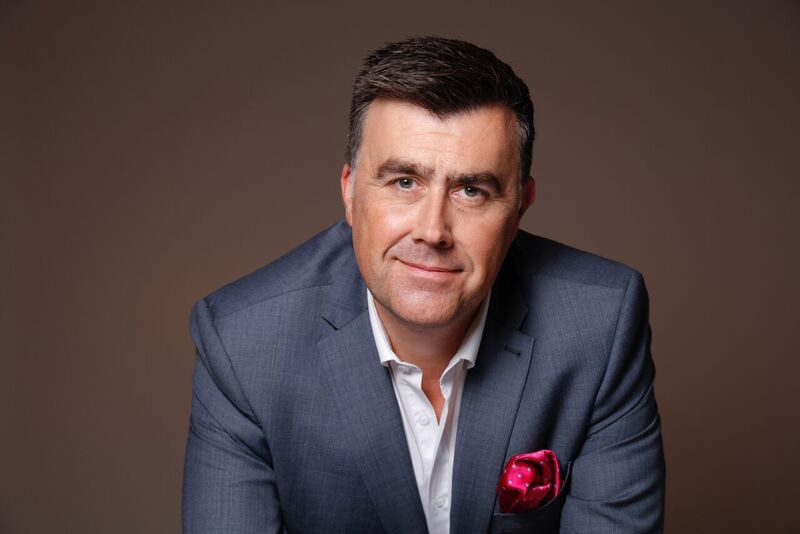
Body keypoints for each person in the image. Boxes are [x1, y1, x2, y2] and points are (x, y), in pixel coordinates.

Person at [182, 36, 665, 533]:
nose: (433, 231)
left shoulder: (600, 324)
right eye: (404, 182)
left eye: (471, 190)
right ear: (350, 191)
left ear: (521, 205)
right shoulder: (244, 344)